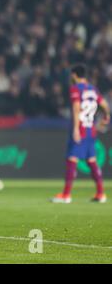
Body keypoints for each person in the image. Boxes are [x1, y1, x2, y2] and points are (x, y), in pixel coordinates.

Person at [52, 65, 110, 204]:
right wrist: (106, 116)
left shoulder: (75, 89)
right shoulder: (93, 89)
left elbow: (76, 107)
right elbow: (104, 103)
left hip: (81, 129)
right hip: (91, 130)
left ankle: (66, 195)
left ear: (74, 75)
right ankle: (101, 193)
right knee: (92, 161)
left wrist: (76, 129)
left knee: (71, 159)